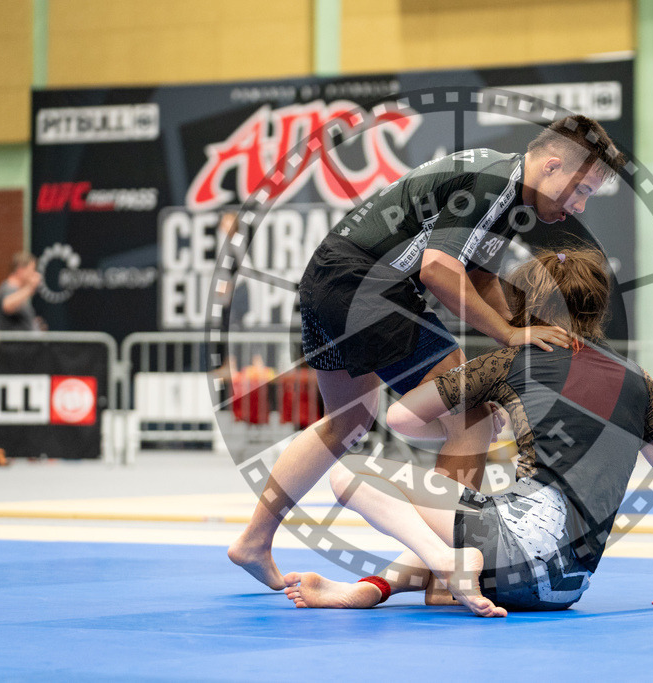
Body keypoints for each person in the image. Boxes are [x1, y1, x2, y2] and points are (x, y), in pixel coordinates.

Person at [228, 115, 626, 593]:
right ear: (553, 166)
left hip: (326, 281)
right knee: (472, 414)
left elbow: (477, 277)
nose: (578, 207)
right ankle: (444, 567)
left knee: (348, 422)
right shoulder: (495, 183)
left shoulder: (504, 192)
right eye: (580, 191)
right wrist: (507, 331)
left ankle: (253, 541)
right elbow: (438, 269)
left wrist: (518, 333)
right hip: (366, 287)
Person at [282, 248, 653, 616]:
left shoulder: (512, 360)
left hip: (512, 550)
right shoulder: (638, 380)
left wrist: (481, 417)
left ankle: (446, 564)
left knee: (351, 475)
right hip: (564, 589)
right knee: (474, 531)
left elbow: (402, 418)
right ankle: (373, 588)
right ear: (598, 308)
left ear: (523, 306)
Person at [0, 252, 43, 331]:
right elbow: (7, 305)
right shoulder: (8, 288)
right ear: (20, 270)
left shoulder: (18, 291)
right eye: (32, 270)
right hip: (14, 343)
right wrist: (30, 288)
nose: (34, 274)